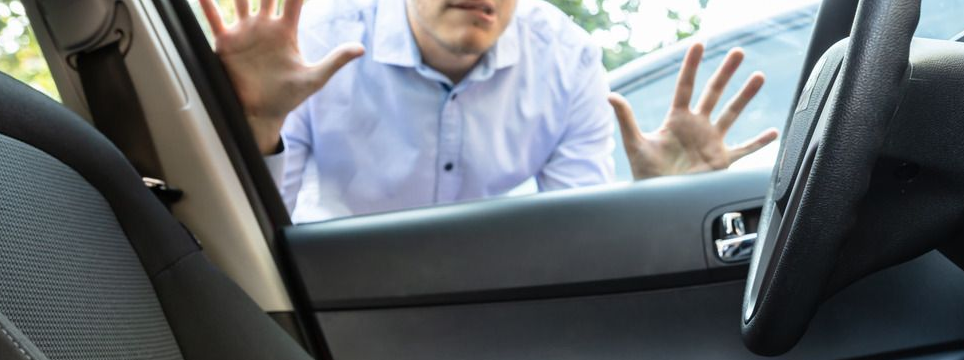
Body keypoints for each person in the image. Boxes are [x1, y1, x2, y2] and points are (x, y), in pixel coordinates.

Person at [199, 0, 780, 221]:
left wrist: (658, 204)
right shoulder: (314, 44)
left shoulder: (569, 62)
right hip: (331, 299)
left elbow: (577, 240)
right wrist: (257, 123)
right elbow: (253, 238)